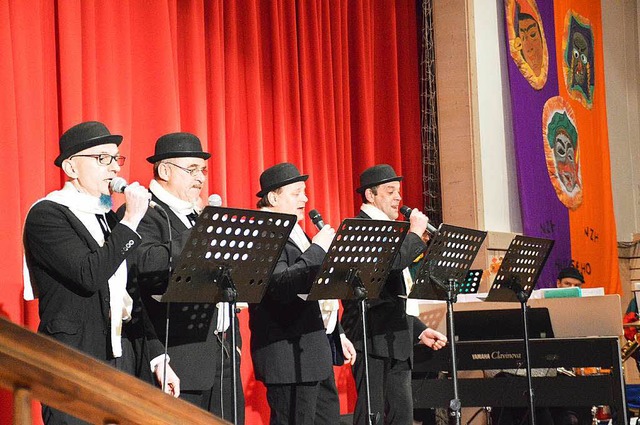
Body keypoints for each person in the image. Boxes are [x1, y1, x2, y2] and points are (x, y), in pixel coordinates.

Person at [23, 121, 180, 425]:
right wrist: (131, 221)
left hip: (120, 355)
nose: (113, 168)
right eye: (101, 158)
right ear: (71, 167)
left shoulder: (107, 217)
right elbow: (89, 274)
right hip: (73, 360)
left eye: (116, 159)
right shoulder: (48, 214)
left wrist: (158, 356)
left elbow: (128, 292)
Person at [120, 132, 244, 423]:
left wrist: (233, 337)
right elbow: (143, 267)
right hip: (178, 358)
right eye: (191, 170)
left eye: (202, 170)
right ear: (165, 170)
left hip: (220, 354)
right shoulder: (143, 213)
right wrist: (204, 230)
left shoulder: (194, 214)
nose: (200, 178)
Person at [341, 164, 448, 425]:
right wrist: (413, 234)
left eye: (398, 192)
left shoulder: (391, 229)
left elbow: (395, 295)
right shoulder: (360, 228)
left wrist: (419, 330)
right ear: (370, 195)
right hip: (371, 337)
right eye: (390, 192)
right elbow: (391, 265)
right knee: (372, 415)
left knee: (402, 415)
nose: (398, 198)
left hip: (397, 338)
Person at [249, 162, 354, 425]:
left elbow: (316, 289)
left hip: (314, 350)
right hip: (287, 356)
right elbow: (281, 285)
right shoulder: (264, 232)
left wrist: (336, 332)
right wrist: (318, 250)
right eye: (296, 193)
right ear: (273, 197)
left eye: (304, 192)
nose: (305, 199)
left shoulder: (297, 230)